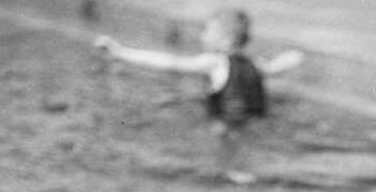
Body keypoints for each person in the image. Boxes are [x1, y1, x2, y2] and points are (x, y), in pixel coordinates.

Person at [93, 8, 304, 127]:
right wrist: (292, 58)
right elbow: (276, 68)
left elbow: (168, 62)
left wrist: (121, 52)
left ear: (227, 40)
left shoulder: (214, 62)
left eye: (207, 31)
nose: (202, 36)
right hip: (255, 124)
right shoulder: (255, 63)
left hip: (223, 126)